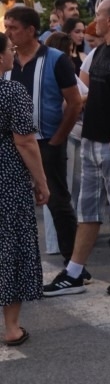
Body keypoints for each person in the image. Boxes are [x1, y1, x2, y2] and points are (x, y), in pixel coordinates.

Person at [43, 0, 110, 297]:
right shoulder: (101, 51)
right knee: (87, 210)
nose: (94, 21)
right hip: (92, 141)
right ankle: (74, 272)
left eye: (99, 16)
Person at [3, 6, 82, 268]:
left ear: (30, 30)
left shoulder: (56, 60)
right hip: (12, 144)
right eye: (6, 27)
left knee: (58, 202)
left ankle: (73, 265)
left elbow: (74, 102)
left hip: (47, 141)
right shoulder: (7, 61)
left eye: (13, 28)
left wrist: (58, 138)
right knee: (13, 205)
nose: (8, 33)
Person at [0, 31, 50, 347]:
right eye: (9, 49)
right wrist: (41, 181)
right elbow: (25, 141)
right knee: (11, 246)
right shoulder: (11, 91)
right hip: (7, 177)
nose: (13, 53)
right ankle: (11, 327)